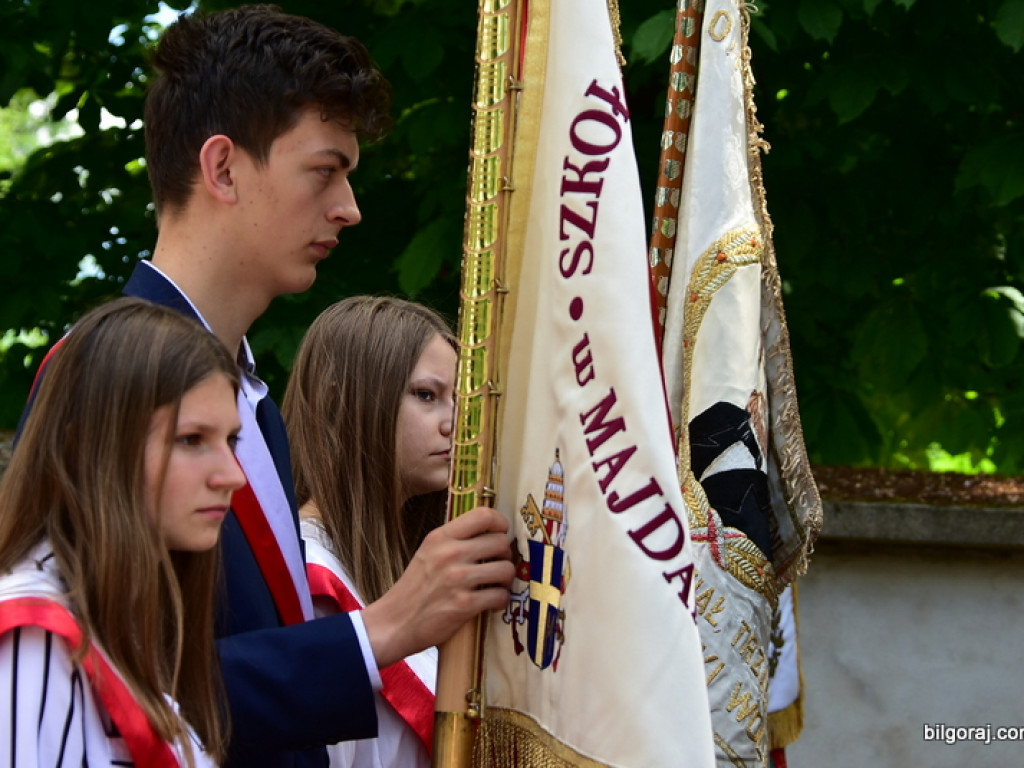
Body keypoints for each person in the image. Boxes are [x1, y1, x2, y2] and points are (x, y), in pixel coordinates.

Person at [17, 6, 515, 768]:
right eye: (324, 171)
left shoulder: (252, 400)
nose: (349, 208)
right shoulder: (99, 380)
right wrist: (379, 630)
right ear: (222, 168)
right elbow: (105, 700)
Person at [0, 297, 245, 767]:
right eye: (192, 439)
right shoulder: (36, 635)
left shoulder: (116, 618)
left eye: (230, 440)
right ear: (86, 448)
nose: (232, 475)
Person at [282, 296, 457, 767]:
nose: (453, 422)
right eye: (427, 395)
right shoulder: (309, 579)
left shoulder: (397, 569)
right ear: (342, 401)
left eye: (458, 399)